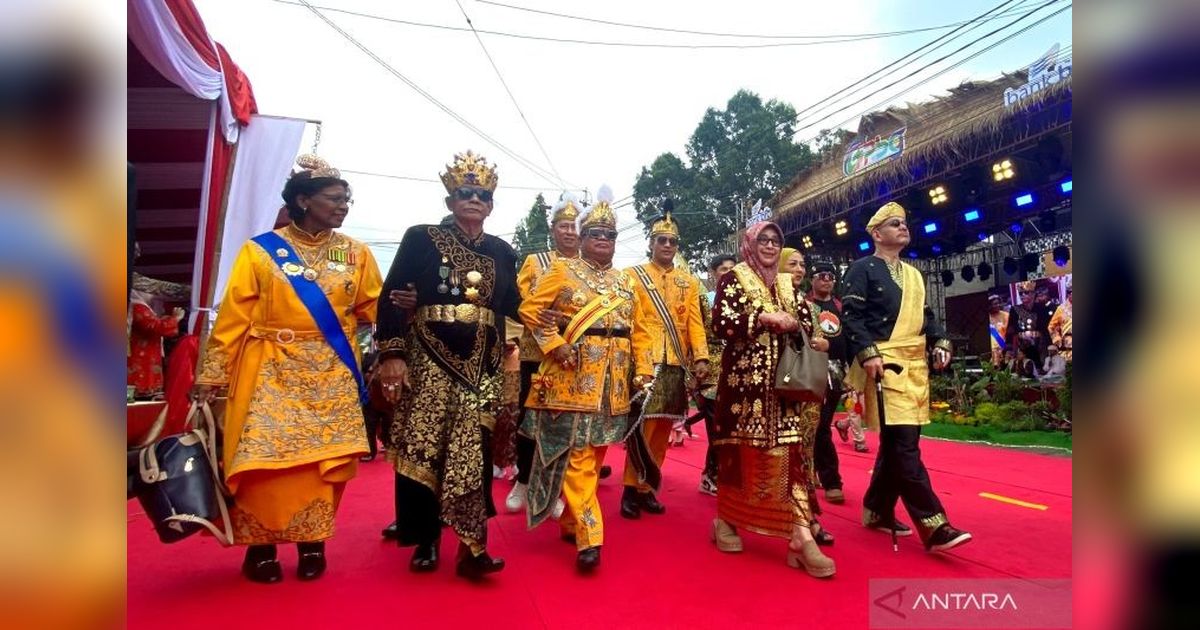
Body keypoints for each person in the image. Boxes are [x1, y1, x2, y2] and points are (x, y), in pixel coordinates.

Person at [192, 155, 382, 583]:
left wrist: (393, 328)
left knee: (321, 465)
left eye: (345, 199)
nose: (343, 206)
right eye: (333, 199)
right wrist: (211, 374)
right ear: (302, 200)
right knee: (266, 463)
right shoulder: (260, 252)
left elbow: (372, 306)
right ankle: (260, 548)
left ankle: (313, 544)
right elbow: (233, 317)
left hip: (331, 373)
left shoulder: (352, 253)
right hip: (270, 369)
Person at [374, 151, 519, 580]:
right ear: (450, 199)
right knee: (426, 444)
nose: (474, 200)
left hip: (484, 363)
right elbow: (390, 297)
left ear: (491, 205)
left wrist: (550, 315)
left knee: (474, 450)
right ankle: (425, 537)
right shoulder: (421, 237)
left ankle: (473, 545)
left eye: (483, 195)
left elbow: (513, 304)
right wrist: (393, 354)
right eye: (465, 193)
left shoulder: (502, 251)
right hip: (428, 355)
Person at [518, 187, 652, 572]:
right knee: (577, 457)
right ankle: (590, 536)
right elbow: (530, 308)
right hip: (572, 377)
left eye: (610, 235)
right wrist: (553, 342)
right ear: (583, 237)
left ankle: (568, 519)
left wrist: (642, 370)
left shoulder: (627, 281)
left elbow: (640, 329)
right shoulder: (562, 269)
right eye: (596, 234)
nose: (603, 241)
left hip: (614, 384)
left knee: (594, 455)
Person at [842, 201, 972, 553]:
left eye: (904, 222)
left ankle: (876, 509)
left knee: (897, 443)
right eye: (894, 223)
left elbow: (926, 316)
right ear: (876, 233)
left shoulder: (914, 275)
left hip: (915, 368)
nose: (903, 227)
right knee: (904, 447)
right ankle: (933, 523)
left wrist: (941, 339)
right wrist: (867, 353)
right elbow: (851, 318)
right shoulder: (861, 269)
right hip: (884, 366)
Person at [710, 221, 836, 579]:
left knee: (791, 457)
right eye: (762, 239)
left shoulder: (786, 283)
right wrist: (761, 318)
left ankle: (799, 538)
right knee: (739, 455)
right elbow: (721, 322)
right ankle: (726, 520)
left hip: (785, 390)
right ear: (750, 243)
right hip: (743, 390)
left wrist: (798, 327)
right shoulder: (733, 278)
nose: (768, 245)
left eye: (775, 241)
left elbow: (807, 324)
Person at [620, 201, 710, 519]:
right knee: (639, 427)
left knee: (662, 428)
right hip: (643, 361)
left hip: (675, 361)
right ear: (651, 243)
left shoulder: (690, 281)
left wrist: (701, 357)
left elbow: (695, 324)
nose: (668, 245)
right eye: (662, 240)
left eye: (673, 241)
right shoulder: (632, 276)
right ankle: (630, 489)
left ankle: (648, 486)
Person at [506, 192, 582, 513]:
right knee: (530, 421)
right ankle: (523, 480)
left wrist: (563, 317)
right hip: (537, 355)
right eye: (563, 225)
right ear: (552, 229)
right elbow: (527, 307)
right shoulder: (535, 263)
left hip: (576, 356)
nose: (569, 231)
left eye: (575, 226)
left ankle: (555, 489)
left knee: (565, 425)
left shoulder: (588, 268)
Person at [688, 253, 736, 496]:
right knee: (717, 427)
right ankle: (711, 475)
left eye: (732, 268)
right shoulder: (704, 301)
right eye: (722, 269)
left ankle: (722, 474)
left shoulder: (743, 299)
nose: (728, 272)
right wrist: (698, 364)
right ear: (713, 274)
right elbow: (695, 334)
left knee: (733, 428)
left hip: (738, 369)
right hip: (711, 371)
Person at [808, 258, 850, 506]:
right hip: (807, 371)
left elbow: (847, 340)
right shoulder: (802, 304)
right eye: (821, 276)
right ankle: (822, 476)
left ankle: (831, 479)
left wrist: (831, 346)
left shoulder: (840, 306)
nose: (826, 280)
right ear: (811, 279)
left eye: (830, 276)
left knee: (821, 425)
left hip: (834, 374)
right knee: (811, 425)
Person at [127, 288, 185, 399]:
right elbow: (155, 326)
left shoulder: (139, 306)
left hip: (146, 350)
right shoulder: (137, 307)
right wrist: (175, 319)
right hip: (141, 352)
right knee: (142, 377)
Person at [1006, 281, 1042, 367]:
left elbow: (1045, 329)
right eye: (1020, 293)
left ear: (1033, 293)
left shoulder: (1041, 308)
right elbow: (1011, 330)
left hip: (1040, 347)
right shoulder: (1015, 309)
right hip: (1021, 347)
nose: (1022, 295)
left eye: (1026, 293)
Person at [835, 389, 870, 453]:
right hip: (852, 388)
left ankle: (841, 425)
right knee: (855, 413)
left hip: (868, 387)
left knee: (863, 414)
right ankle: (860, 442)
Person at [1048, 283, 1072, 362]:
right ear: (1068, 293)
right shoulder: (1061, 309)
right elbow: (1051, 326)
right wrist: (1057, 339)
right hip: (1067, 346)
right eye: (1070, 292)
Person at [987, 294, 1010, 367]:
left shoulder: (1006, 315)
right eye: (995, 304)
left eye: (998, 303)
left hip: (1003, 342)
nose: (998, 305)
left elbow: (1009, 330)